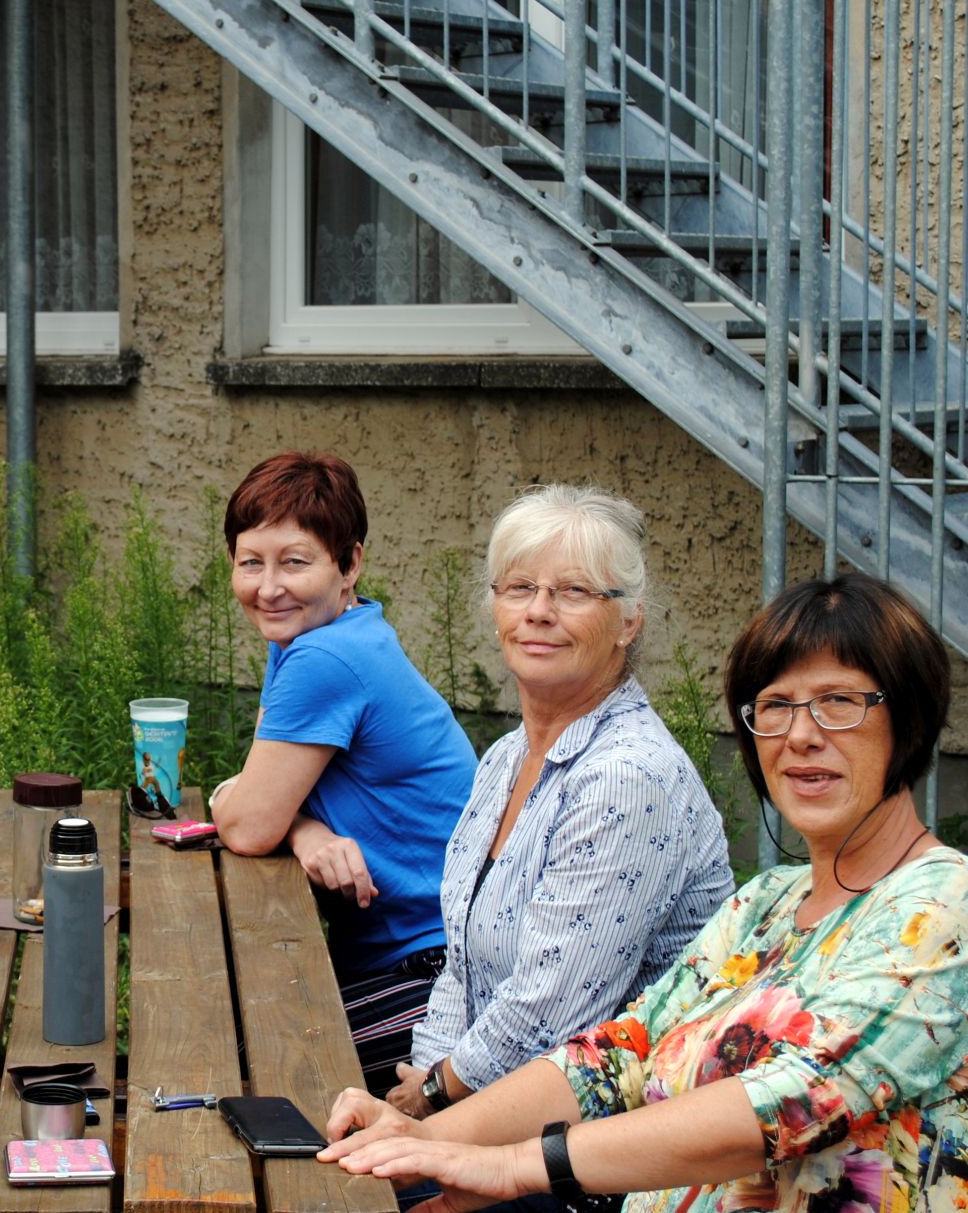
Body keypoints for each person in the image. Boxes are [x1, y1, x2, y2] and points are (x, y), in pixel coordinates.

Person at [322, 573, 968, 1213]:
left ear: (909, 720)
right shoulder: (767, 903)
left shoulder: (945, 903)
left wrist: (510, 1165)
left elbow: (792, 1100)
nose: (800, 734)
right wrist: (424, 1139)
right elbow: (619, 1053)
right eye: (776, 705)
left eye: (839, 701)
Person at [391, 486, 732, 1127]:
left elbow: (551, 1014)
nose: (539, 612)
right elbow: (462, 966)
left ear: (629, 622)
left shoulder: (626, 777)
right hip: (484, 1108)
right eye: (520, 587)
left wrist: (429, 1100)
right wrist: (427, 1080)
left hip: (606, 1138)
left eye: (574, 592)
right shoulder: (507, 756)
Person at [210, 450, 477, 1095]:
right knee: (238, 1037)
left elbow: (245, 821)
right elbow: (259, 800)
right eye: (251, 562)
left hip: (439, 975)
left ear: (349, 564)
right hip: (409, 958)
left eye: (294, 562)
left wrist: (272, 818)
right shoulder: (318, 637)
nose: (268, 587)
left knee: (251, 1067)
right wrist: (306, 832)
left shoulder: (325, 657)